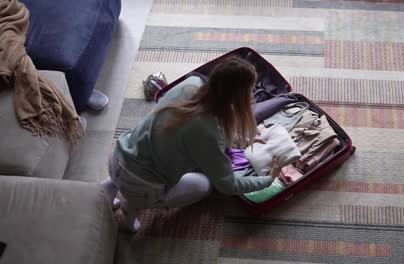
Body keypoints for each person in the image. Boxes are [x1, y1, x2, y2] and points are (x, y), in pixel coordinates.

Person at [101, 57, 280, 232]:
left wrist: (243, 140)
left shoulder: (191, 83)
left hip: (118, 156)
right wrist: (267, 180)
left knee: (148, 151)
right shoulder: (209, 134)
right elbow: (228, 185)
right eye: (250, 91)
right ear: (236, 100)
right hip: (141, 188)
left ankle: (108, 188)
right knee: (204, 184)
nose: (252, 95)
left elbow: (205, 130)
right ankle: (129, 214)